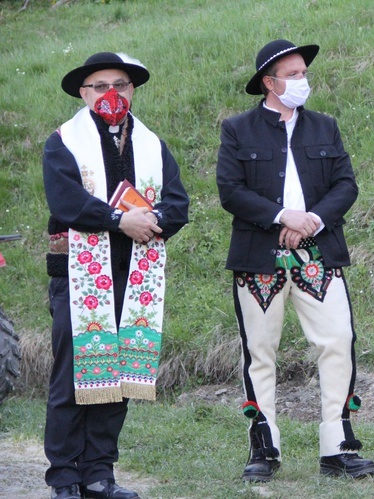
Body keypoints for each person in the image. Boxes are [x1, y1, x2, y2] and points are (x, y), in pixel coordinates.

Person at [216, 39, 374, 482]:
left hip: (319, 254)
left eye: (304, 72)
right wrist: (282, 216)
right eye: (293, 74)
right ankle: (264, 448)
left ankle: (338, 446)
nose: (303, 80)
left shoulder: (325, 126)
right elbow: (231, 191)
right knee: (260, 352)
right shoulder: (238, 129)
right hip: (259, 257)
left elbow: (346, 185)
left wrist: (312, 221)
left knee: (338, 340)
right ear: (269, 82)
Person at [42, 52, 190, 499]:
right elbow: (65, 203)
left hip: (133, 273)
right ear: (84, 94)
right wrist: (119, 220)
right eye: (101, 86)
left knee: (118, 372)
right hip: (79, 273)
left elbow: (177, 203)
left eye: (121, 84)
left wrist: (153, 219)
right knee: (75, 371)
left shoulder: (151, 143)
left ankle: (99, 472)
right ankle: (64, 476)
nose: (112, 94)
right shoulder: (63, 142)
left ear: (132, 90)